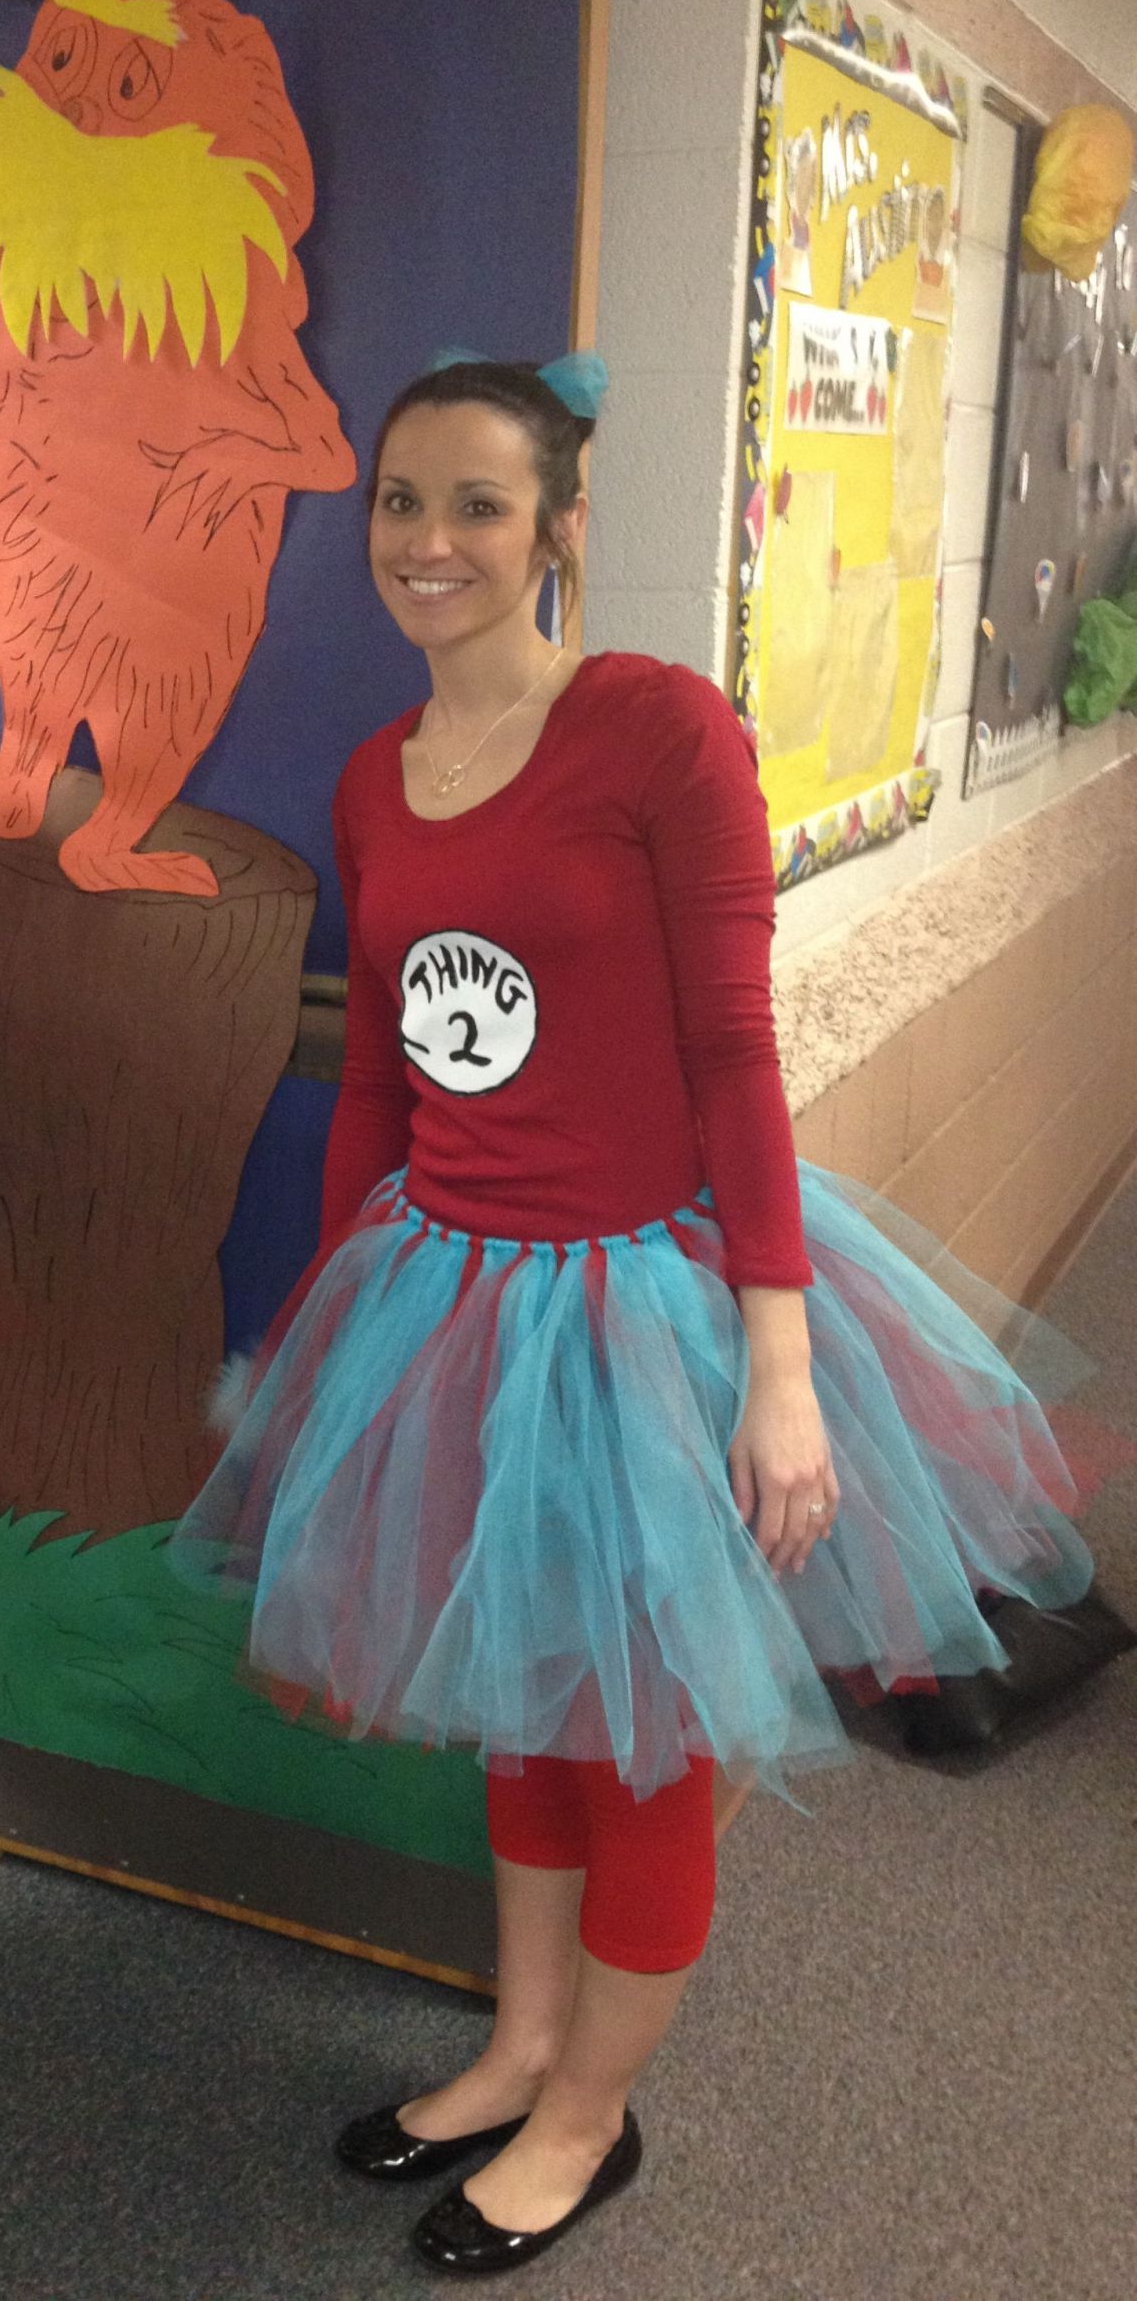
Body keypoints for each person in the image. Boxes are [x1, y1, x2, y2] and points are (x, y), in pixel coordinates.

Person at [175, 354, 1099, 2278]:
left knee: (644, 1735)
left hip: (644, 1310)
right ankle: (521, 2042)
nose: (432, 543)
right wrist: (342, 1317)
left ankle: (592, 2115)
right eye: (403, 504)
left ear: (562, 528)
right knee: (527, 1708)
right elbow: (380, 1082)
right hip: (446, 1289)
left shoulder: (661, 737)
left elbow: (732, 1054)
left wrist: (779, 1370)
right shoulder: (376, 774)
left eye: (480, 506)